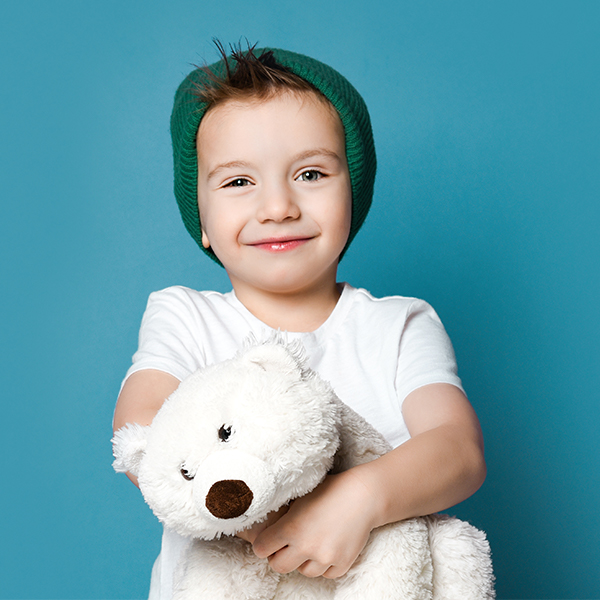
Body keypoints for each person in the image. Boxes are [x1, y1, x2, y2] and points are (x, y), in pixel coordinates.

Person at [113, 43, 486, 599]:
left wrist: (358, 498)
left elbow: (458, 451)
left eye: (310, 173)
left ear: (351, 196)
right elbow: (141, 432)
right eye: (239, 182)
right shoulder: (185, 316)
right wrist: (259, 509)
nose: (278, 206)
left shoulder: (400, 325)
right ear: (203, 221)